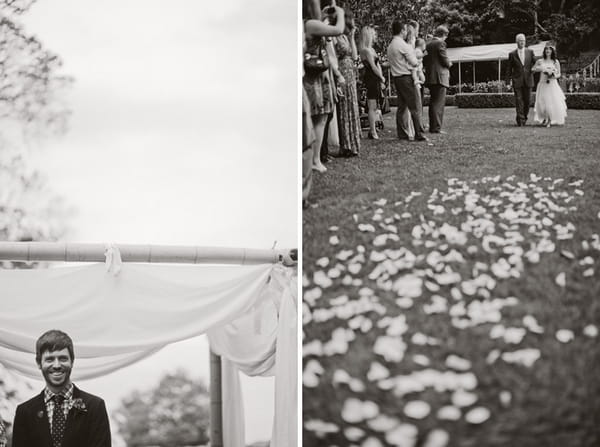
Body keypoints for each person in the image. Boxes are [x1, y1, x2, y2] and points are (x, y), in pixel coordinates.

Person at [12, 330, 111, 447]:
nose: (57, 365)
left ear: (72, 361)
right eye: (50, 359)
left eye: (63, 358)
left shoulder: (95, 407)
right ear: (39, 363)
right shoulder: (24, 412)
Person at [303, 0, 345, 172]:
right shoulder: (311, 24)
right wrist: (341, 14)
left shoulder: (311, 23)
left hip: (317, 75)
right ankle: (315, 159)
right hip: (314, 77)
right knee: (319, 117)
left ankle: (314, 157)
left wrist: (326, 14)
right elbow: (338, 30)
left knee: (319, 117)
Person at [387, 20, 428, 142]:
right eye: (405, 30)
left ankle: (402, 133)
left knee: (401, 106)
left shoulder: (390, 46)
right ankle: (418, 134)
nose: (406, 32)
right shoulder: (402, 45)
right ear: (401, 31)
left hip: (397, 78)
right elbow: (414, 62)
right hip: (406, 77)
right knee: (414, 106)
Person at [333, 9, 361, 156]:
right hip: (342, 72)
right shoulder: (335, 37)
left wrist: (352, 37)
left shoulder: (345, 36)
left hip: (350, 73)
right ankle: (346, 145)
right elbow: (334, 57)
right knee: (344, 108)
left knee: (352, 106)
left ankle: (353, 143)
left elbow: (355, 56)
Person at [359, 25, 386, 140]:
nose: (375, 36)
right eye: (373, 34)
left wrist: (381, 78)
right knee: (372, 105)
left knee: (375, 106)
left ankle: (373, 129)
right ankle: (372, 130)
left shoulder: (372, 50)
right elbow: (373, 66)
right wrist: (381, 77)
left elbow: (378, 65)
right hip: (371, 78)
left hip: (375, 78)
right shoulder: (366, 50)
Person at [424, 25, 452, 134]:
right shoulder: (440, 43)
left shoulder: (428, 44)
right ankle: (436, 128)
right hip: (439, 77)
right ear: (444, 35)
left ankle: (433, 126)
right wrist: (449, 63)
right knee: (439, 103)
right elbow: (444, 60)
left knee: (433, 102)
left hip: (430, 76)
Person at [505, 33, 535, 126]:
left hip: (528, 80)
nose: (522, 42)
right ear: (516, 42)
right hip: (517, 81)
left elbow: (535, 64)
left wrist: (535, 70)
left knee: (527, 101)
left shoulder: (530, 52)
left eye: (523, 40)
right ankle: (520, 121)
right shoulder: (512, 54)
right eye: (520, 40)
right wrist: (507, 82)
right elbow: (509, 69)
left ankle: (524, 117)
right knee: (519, 101)